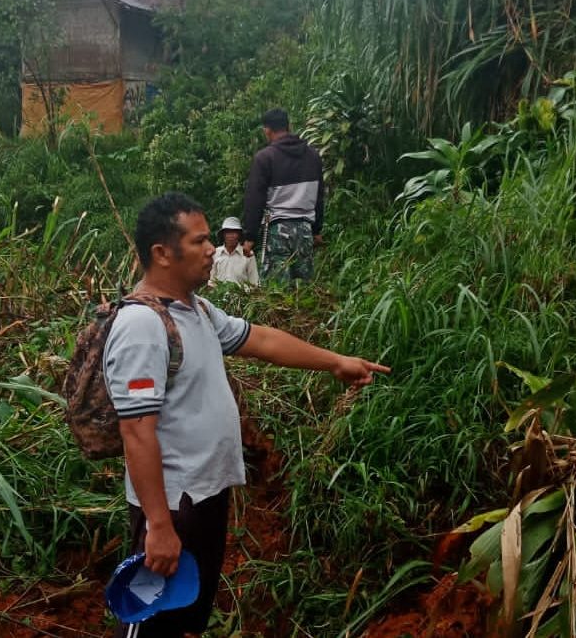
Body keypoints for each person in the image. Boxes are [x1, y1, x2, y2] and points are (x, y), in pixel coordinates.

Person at [104, 192, 389, 637]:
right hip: (172, 507)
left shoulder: (195, 310)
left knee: (185, 619)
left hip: (205, 498)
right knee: (150, 623)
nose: (212, 249)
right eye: (199, 241)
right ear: (162, 253)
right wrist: (158, 526)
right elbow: (136, 432)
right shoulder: (141, 326)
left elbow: (260, 340)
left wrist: (335, 361)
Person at [242, 108, 325, 283]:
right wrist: (317, 230)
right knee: (304, 289)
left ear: (267, 130)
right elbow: (319, 197)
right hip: (305, 231)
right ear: (289, 125)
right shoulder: (313, 156)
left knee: (276, 291)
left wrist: (250, 236)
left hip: (277, 231)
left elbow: (254, 199)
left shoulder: (265, 158)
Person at [209, 216, 258, 287]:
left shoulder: (248, 254)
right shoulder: (216, 253)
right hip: (219, 296)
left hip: (242, 296)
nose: (231, 236)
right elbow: (212, 280)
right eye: (228, 232)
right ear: (223, 235)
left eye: (234, 232)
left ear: (239, 235)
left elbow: (254, 281)